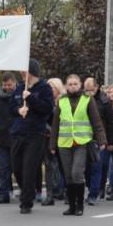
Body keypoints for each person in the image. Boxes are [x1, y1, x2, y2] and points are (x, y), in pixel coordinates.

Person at [50, 75, 106, 216]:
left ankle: (80, 205)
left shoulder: (88, 100)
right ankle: (72, 206)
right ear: (66, 86)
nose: (73, 86)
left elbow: (96, 122)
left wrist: (101, 140)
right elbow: (55, 124)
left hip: (81, 142)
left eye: (75, 84)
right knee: (68, 176)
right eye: (70, 84)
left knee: (77, 173)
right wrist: (52, 144)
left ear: (80, 85)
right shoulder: (61, 101)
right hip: (64, 142)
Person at [10, 59, 55, 214]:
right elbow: (12, 107)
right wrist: (18, 111)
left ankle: (26, 201)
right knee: (16, 167)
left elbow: (47, 109)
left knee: (29, 167)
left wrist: (30, 98)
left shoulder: (44, 88)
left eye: (24, 70)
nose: (21, 73)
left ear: (32, 71)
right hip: (18, 133)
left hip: (35, 134)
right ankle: (26, 191)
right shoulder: (19, 88)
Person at [84, 77, 113, 205]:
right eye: (86, 90)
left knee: (97, 167)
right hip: (85, 137)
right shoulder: (82, 100)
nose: (89, 93)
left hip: (99, 139)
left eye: (91, 90)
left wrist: (111, 141)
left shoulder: (104, 101)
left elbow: (111, 122)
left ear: (96, 88)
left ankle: (94, 194)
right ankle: (90, 188)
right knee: (86, 168)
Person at [0, 72, 18, 204]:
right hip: (3, 136)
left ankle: (26, 191)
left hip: (18, 136)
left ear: (15, 83)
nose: (7, 87)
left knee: (18, 166)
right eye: (5, 85)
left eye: (10, 84)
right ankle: (3, 193)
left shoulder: (21, 95)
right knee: (4, 167)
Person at [41, 77, 66, 206]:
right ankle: (50, 194)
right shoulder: (46, 102)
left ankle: (66, 192)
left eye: (52, 87)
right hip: (48, 137)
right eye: (48, 87)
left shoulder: (64, 101)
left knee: (64, 165)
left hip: (63, 137)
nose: (50, 89)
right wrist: (50, 130)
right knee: (49, 165)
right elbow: (42, 118)